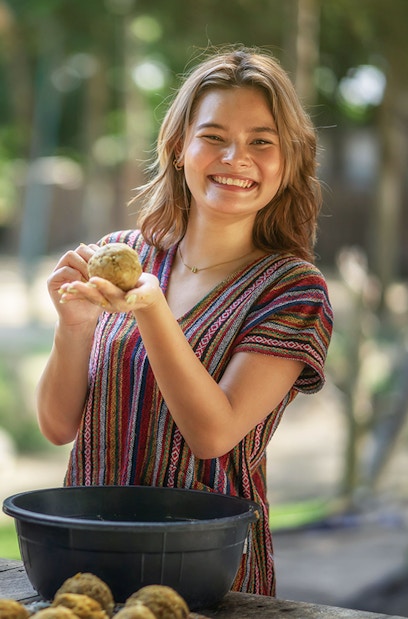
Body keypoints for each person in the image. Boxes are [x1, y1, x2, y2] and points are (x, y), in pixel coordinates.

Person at [36, 46, 333, 597]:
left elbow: (212, 434)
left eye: (260, 141)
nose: (235, 157)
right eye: (213, 137)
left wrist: (151, 311)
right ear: (179, 149)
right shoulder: (121, 254)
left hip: (206, 579)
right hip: (86, 564)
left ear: (288, 161)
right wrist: (74, 325)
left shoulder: (293, 290)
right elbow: (57, 427)